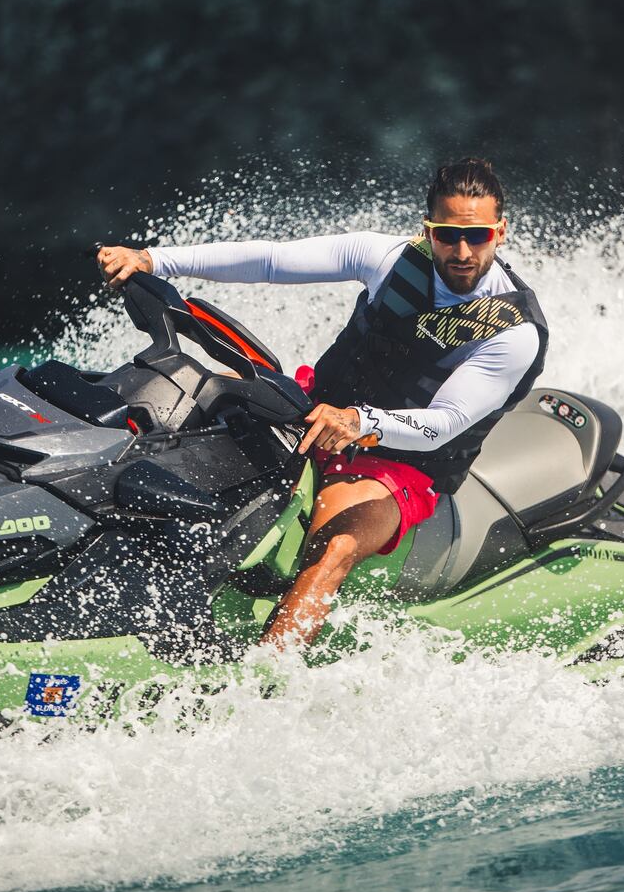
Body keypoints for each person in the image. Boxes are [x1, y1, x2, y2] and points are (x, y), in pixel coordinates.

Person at [98, 157, 548, 650]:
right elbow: (271, 261)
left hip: (402, 463)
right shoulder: (388, 256)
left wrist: (361, 421)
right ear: (429, 229)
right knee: (194, 389)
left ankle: (265, 683)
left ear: (500, 232)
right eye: (447, 235)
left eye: (477, 236)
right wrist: (152, 260)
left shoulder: (515, 330)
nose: (462, 251)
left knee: (334, 543)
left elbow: (446, 422)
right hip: (316, 410)